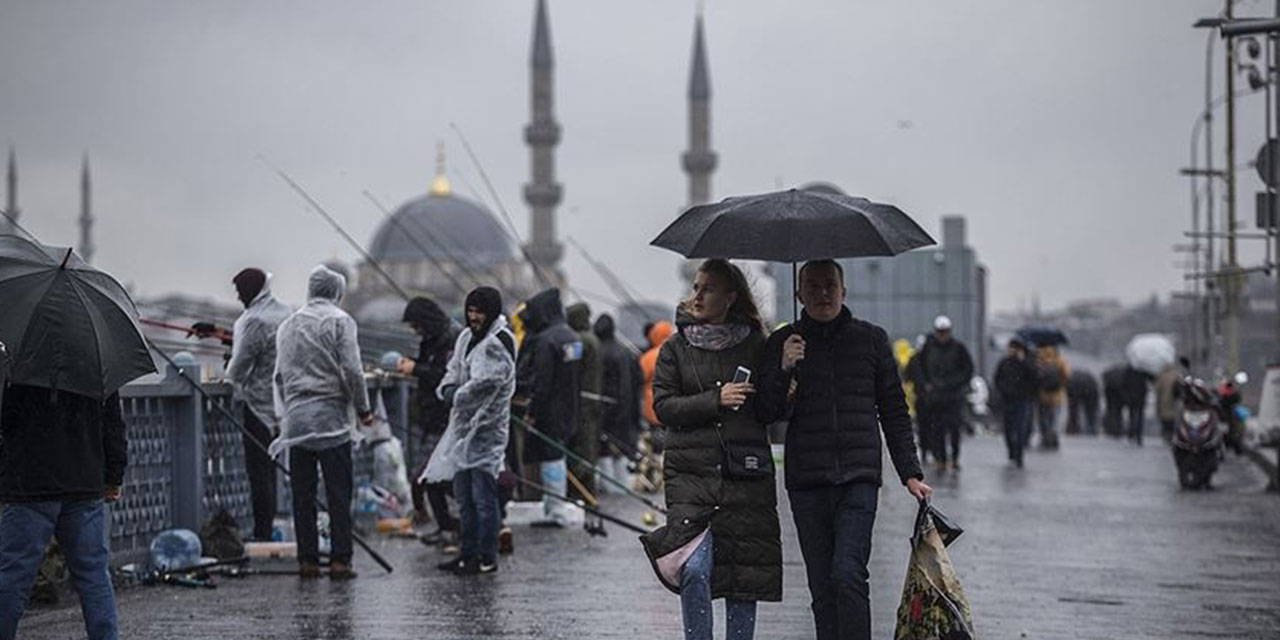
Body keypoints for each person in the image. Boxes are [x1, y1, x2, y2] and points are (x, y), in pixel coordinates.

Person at [756, 259, 930, 640]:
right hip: (807, 480)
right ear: (799, 294)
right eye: (813, 286)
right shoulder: (783, 344)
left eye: (829, 285)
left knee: (848, 573)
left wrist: (910, 472)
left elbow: (893, 408)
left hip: (858, 475)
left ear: (843, 291)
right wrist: (785, 367)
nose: (822, 294)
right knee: (822, 588)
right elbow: (766, 412)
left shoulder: (870, 340)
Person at [640, 259, 781, 640]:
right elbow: (664, 407)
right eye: (696, 287)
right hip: (691, 475)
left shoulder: (758, 345)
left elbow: (771, 411)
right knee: (695, 569)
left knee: (741, 577)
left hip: (743, 475)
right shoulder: (675, 347)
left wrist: (785, 375)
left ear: (731, 297)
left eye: (708, 289)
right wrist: (714, 399)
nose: (697, 295)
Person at [269, 265, 373, 580]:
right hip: (332, 421)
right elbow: (353, 371)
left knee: (302, 494)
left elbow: (279, 376)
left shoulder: (288, 325)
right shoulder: (341, 322)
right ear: (337, 292)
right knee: (338, 492)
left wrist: (288, 412)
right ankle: (340, 560)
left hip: (298, 422)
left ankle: (308, 561)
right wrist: (363, 408)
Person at [0, 385, 127, 640]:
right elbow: (112, 424)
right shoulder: (96, 358)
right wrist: (114, 476)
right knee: (93, 577)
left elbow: (6, 422)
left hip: (29, 484)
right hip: (84, 483)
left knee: (12, 577)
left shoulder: (19, 358)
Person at [424, 287, 517, 575]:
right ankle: (467, 554)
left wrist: (456, 395)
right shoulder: (465, 337)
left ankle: (486, 557)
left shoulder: (499, 341)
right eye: (471, 311)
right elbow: (453, 370)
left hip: (487, 430)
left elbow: (485, 384)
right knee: (464, 495)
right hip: (462, 429)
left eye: (479, 311)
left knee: (483, 497)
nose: (474, 317)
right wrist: (448, 388)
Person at [224, 267, 292, 541]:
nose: (239, 297)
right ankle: (271, 528)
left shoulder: (253, 321)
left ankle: (262, 533)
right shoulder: (284, 312)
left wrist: (228, 373)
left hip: (258, 408)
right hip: (283, 405)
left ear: (251, 290)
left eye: (240, 292)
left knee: (259, 474)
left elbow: (239, 368)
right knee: (272, 472)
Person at [396, 296, 461, 549]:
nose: (416, 331)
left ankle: (465, 521)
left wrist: (415, 369)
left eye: (416, 325)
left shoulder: (450, 339)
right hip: (431, 416)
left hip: (445, 418)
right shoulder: (433, 338)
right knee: (430, 476)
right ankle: (446, 526)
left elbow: (445, 377)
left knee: (429, 475)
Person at [514, 288, 582, 528]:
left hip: (549, 410)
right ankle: (556, 506)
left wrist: (533, 412)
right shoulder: (571, 336)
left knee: (550, 457)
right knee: (558, 455)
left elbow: (542, 383)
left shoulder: (546, 340)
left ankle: (555, 511)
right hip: (569, 406)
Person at [916, 315, 974, 470]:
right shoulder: (928, 349)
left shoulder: (959, 348)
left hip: (953, 396)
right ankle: (940, 458)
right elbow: (919, 369)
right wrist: (925, 385)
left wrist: (956, 384)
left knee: (954, 428)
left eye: (945, 332)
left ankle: (954, 457)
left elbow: (968, 369)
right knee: (937, 429)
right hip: (935, 397)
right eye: (940, 332)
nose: (942, 335)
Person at [594, 313, 643, 494]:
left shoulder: (600, 352)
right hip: (628, 411)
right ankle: (623, 491)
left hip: (607, 411)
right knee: (622, 453)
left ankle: (611, 491)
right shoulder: (627, 352)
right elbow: (638, 381)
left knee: (605, 452)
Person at [566, 302, 603, 500]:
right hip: (593, 399)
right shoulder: (593, 339)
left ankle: (581, 491)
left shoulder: (580, 341)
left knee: (582, 446)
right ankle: (589, 490)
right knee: (590, 446)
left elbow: (571, 370)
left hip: (582, 401)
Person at [993, 338, 1038, 468]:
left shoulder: (1026, 363)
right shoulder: (1004, 363)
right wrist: (1002, 391)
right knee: (1008, 429)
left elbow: (1035, 377)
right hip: (1007, 400)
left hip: (1022, 400)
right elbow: (997, 378)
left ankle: (1019, 455)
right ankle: (1012, 451)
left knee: (1020, 429)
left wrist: (1023, 361)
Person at [1034, 345, 1070, 449]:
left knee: (1043, 418)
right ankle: (1053, 437)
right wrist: (1060, 383)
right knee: (1054, 418)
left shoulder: (1039, 359)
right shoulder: (1059, 360)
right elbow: (1066, 374)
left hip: (1042, 394)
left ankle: (1045, 437)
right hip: (1057, 395)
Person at [1121, 366, 1152, 446]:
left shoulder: (1128, 371)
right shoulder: (1142, 370)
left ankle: (1131, 435)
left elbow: (1124, 384)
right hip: (1140, 397)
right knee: (1140, 417)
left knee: (1132, 416)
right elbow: (1150, 379)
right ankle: (1138, 436)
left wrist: (1126, 396)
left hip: (1131, 398)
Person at [1154, 361, 1184, 443]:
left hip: (1164, 401)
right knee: (1173, 420)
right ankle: (1172, 436)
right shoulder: (1176, 375)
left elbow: (1157, 389)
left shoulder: (1162, 376)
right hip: (1174, 402)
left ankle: (1166, 437)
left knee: (1165, 420)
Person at [1065, 369, 1100, 436]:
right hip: (1090, 385)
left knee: (1073, 412)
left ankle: (1073, 430)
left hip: (1074, 385)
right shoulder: (1091, 379)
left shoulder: (1071, 378)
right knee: (1091, 412)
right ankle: (1092, 430)